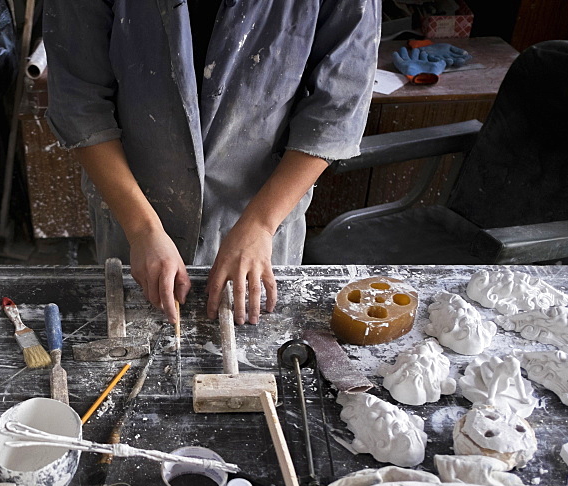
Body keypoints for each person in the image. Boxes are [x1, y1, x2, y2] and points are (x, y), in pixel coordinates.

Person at [43, 0, 380, 324]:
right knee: (135, 338)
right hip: (132, 202)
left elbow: (337, 106)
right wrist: (142, 229)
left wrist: (261, 224)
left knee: (256, 351)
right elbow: (80, 103)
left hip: (263, 210)